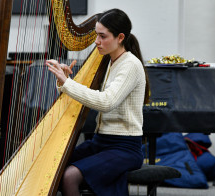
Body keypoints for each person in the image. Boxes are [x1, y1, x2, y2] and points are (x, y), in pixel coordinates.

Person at [46, 8, 150, 196]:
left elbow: (106, 102)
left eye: (102, 36)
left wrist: (69, 84)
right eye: (96, 35)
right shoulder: (110, 61)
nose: (96, 42)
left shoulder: (130, 65)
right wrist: (65, 82)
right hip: (101, 142)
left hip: (124, 147)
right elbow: (89, 95)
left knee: (69, 176)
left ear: (120, 37)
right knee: (53, 165)